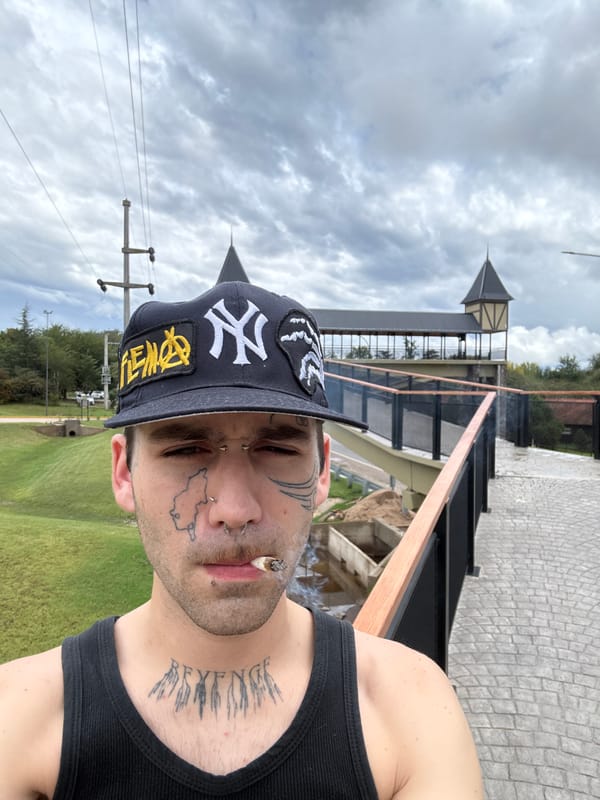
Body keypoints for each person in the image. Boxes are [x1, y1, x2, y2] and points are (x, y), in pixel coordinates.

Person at [0, 281, 483, 799]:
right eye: (185, 448)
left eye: (276, 447)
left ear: (322, 472)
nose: (234, 512)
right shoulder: (20, 720)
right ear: (123, 473)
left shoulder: (411, 710)